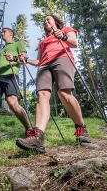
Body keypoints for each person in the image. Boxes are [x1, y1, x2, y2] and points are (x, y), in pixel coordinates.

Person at [16, 15, 91, 154]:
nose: (46, 21)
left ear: (55, 21)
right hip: (44, 66)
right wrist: (23, 59)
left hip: (62, 59)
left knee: (64, 94)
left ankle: (81, 129)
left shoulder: (66, 29)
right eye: (44, 20)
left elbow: (74, 43)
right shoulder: (43, 41)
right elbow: (38, 61)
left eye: (48, 19)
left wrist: (62, 36)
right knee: (42, 95)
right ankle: (38, 138)